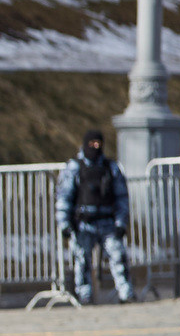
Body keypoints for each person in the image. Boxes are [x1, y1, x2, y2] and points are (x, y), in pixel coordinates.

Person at [54, 128, 134, 303]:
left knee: (118, 257)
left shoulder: (110, 167)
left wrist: (121, 223)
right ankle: (84, 296)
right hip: (83, 223)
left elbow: (122, 198)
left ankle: (126, 294)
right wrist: (64, 223)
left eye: (99, 143)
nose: (96, 147)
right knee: (82, 262)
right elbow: (64, 196)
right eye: (92, 144)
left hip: (107, 222)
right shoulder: (75, 167)